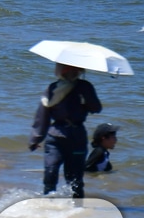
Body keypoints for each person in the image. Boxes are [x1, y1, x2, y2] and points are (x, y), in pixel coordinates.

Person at [29, 61, 104, 197]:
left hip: (77, 137)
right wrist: (35, 139)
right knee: (50, 171)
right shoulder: (52, 88)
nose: (73, 72)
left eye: (76, 70)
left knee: (75, 178)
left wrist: (85, 97)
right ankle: (48, 204)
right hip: (55, 136)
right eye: (69, 69)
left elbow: (96, 108)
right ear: (62, 71)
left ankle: (77, 209)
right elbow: (42, 115)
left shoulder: (85, 87)